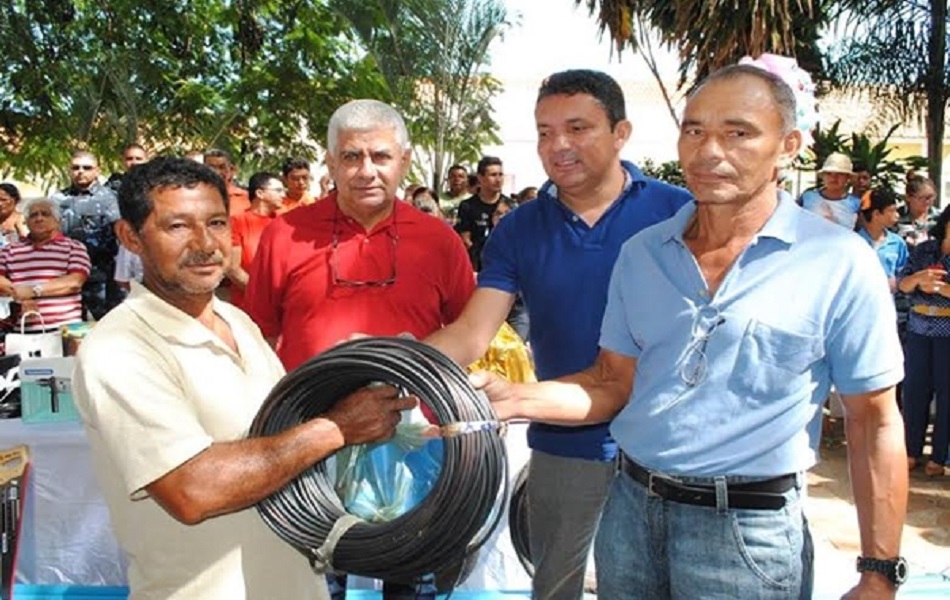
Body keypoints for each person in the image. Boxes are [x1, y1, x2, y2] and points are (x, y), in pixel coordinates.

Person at [472, 65, 908, 599]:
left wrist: (879, 573)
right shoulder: (643, 255)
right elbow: (611, 382)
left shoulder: (838, 261)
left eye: (738, 132)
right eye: (694, 130)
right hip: (631, 519)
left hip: (749, 534)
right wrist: (511, 398)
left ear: (788, 145)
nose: (709, 150)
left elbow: (874, 421)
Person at [72, 157, 414, 599]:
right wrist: (336, 427)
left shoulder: (238, 323)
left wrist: (356, 388)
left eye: (216, 223)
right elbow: (192, 489)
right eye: (177, 226)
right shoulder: (119, 347)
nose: (204, 244)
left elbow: (284, 435)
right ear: (130, 237)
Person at [426, 69, 692, 600]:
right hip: (564, 439)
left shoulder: (678, 212)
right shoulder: (519, 227)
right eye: (544, 132)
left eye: (577, 128)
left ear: (621, 133)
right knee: (555, 586)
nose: (558, 145)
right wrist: (391, 363)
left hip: (668, 444)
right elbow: (473, 332)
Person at [244, 99, 474, 599]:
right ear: (329, 163)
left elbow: (466, 333)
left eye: (380, 156)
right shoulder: (285, 234)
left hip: (413, 439)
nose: (366, 171)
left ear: (405, 160)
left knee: (411, 575)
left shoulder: (439, 239)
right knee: (315, 576)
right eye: (351, 157)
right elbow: (258, 335)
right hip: (310, 435)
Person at [897, 204, 950, 478]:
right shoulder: (924, 250)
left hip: (947, 332)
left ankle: (939, 456)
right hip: (918, 329)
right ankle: (910, 450)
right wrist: (919, 278)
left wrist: (941, 288)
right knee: (914, 391)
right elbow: (903, 284)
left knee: (947, 395)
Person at [50, 150, 123, 320]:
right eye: (75, 167)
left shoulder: (110, 199)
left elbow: (121, 232)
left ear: (97, 170)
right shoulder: (57, 199)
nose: (80, 171)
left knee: (108, 325)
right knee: (69, 327)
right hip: (66, 275)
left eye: (86, 167)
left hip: (103, 275)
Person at [0, 198, 90, 332]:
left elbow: (74, 282)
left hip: (66, 330)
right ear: (26, 221)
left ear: (57, 220)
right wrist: (22, 297)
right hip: (24, 332)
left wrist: (33, 291)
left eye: (45, 214)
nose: (39, 218)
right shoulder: (10, 250)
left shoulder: (74, 247)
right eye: (33, 215)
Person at [226, 171, 284, 310]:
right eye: (278, 190)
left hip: (279, 305)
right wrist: (259, 294)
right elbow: (233, 268)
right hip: (246, 306)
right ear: (260, 193)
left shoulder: (283, 223)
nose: (283, 195)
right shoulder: (238, 222)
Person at [455, 156, 508, 271]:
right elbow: (465, 239)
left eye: (500, 174)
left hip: (505, 267)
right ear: (480, 178)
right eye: (493, 175)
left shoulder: (510, 206)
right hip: (477, 267)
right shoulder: (467, 206)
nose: (498, 179)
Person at [857, 187, 908, 293]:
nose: (897, 215)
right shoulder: (854, 242)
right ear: (876, 214)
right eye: (892, 211)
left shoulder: (897, 243)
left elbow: (903, 272)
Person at [799, 152, 862, 229]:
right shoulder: (807, 198)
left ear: (847, 178)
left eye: (840, 174)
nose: (833, 178)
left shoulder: (856, 204)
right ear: (823, 176)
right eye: (829, 174)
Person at [896, 175, 940, 247]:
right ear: (908, 197)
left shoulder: (939, 218)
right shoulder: (896, 217)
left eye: (931, 197)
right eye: (922, 198)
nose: (927, 202)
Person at [203, 148, 250, 215]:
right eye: (211, 168)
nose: (217, 172)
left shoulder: (247, 198)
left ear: (232, 170)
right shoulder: (195, 196)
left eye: (222, 167)